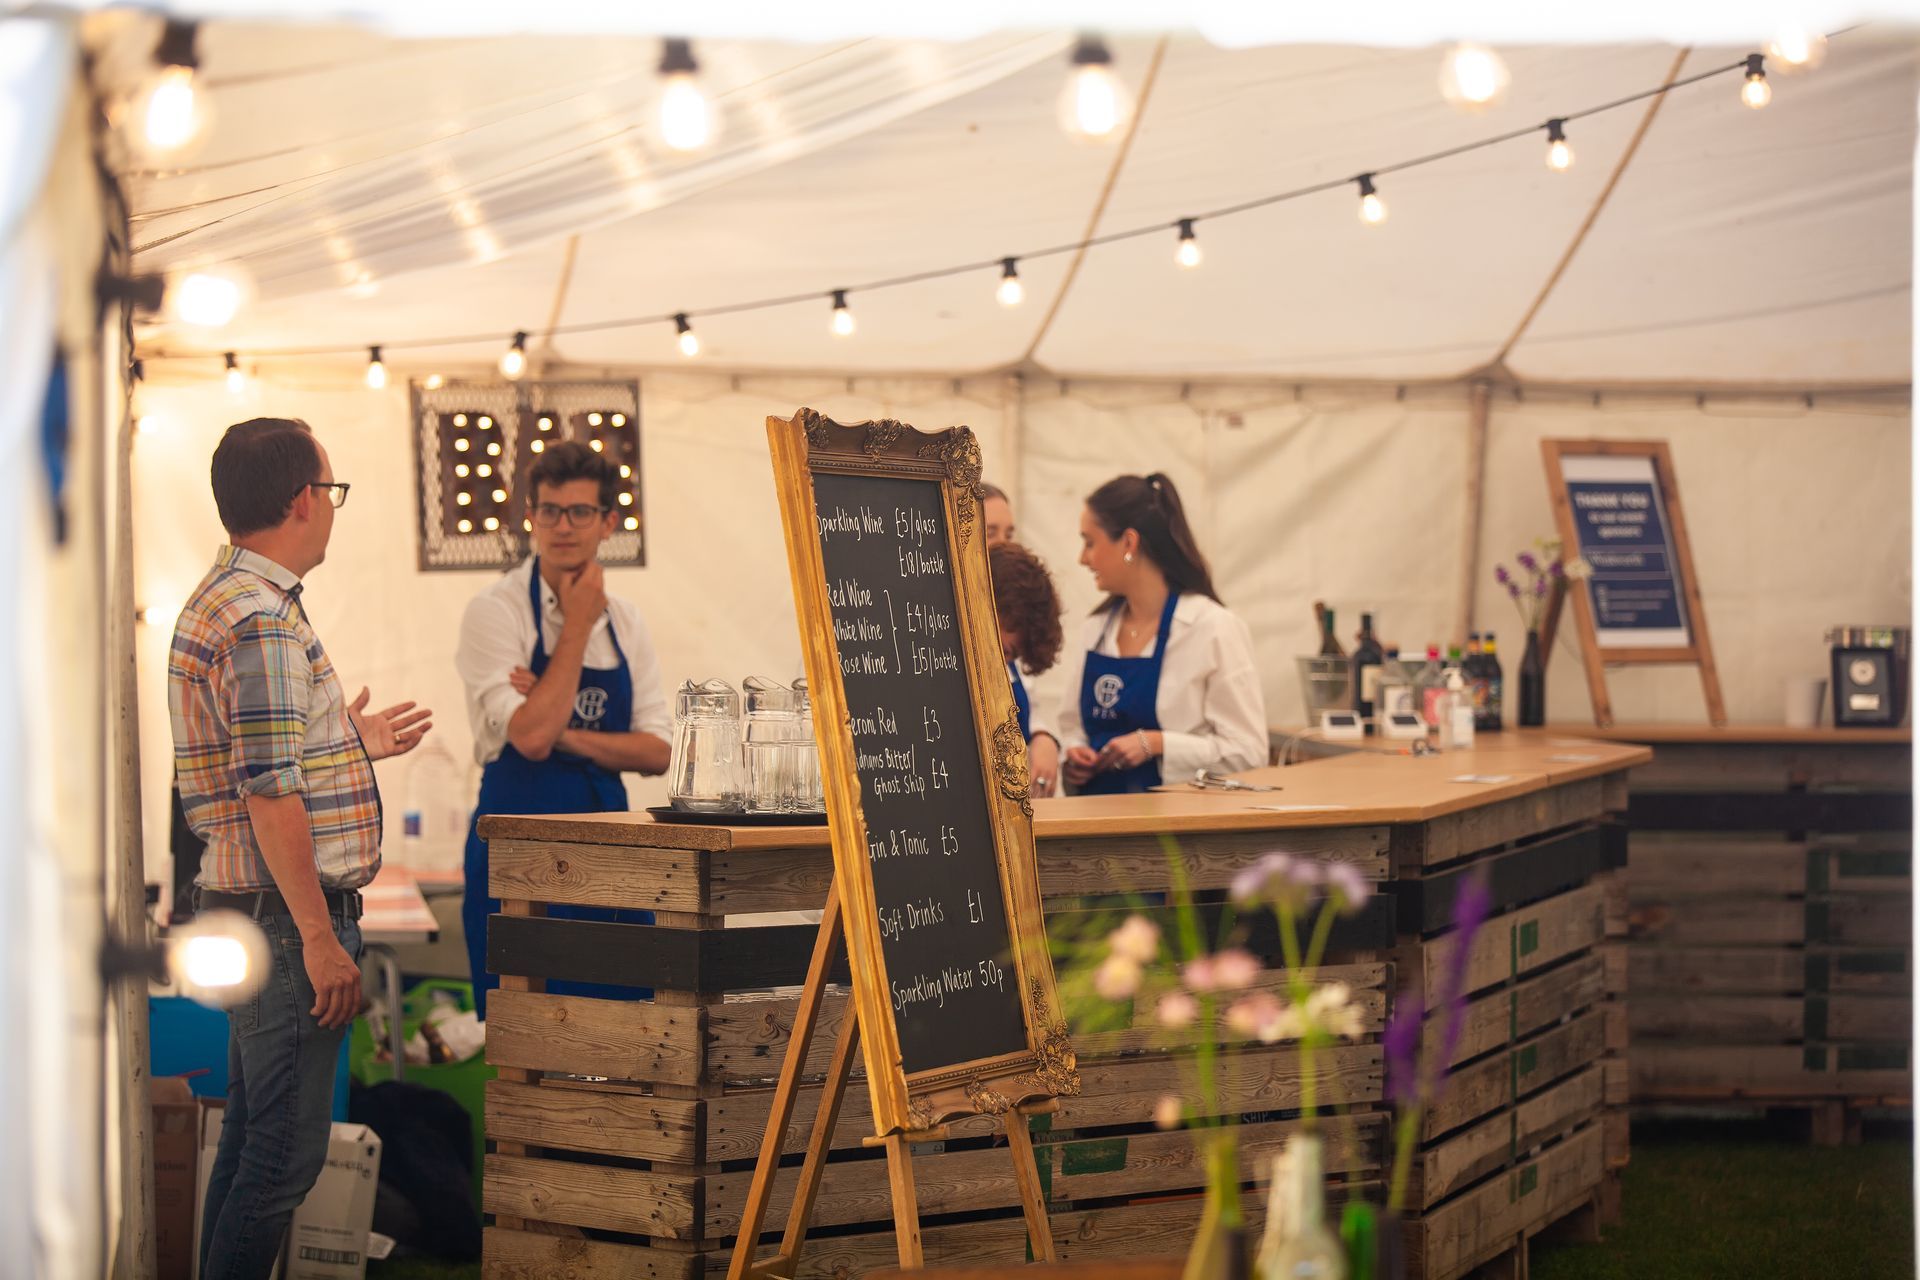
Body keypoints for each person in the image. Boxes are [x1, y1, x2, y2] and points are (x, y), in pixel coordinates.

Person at [170, 418, 432, 1280]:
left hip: (257, 917)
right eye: (332, 491)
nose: (332, 509)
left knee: (252, 1143)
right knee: (281, 1164)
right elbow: (269, 791)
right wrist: (321, 938)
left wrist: (343, 739)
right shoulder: (262, 620)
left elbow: (263, 755)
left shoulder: (227, 597)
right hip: (284, 925)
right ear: (302, 500)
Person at [455, 441, 671, 1018]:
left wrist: (562, 731)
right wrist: (575, 624)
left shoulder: (626, 620)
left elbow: (656, 751)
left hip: (610, 849)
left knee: (625, 1026)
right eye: (548, 511)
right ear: (532, 517)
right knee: (525, 1029)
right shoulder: (497, 611)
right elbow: (527, 739)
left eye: (579, 512)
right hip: (517, 851)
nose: (562, 527)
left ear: (608, 523)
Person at [1055, 472, 1267, 794]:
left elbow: (1249, 752)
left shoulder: (1212, 628)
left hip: (1173, 831)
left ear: (1128, 542)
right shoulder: (1096, 629)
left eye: (1089, 542)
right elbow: (1073, 728)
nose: (1082, 559)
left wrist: (1157, 744)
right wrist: (1073, 755)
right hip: (1091, 824)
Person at [988, 540, 1064, 796]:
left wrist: (1043, 738)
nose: (1005, 660)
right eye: (1008, 651)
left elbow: (1033, 714)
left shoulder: (1011, 665)